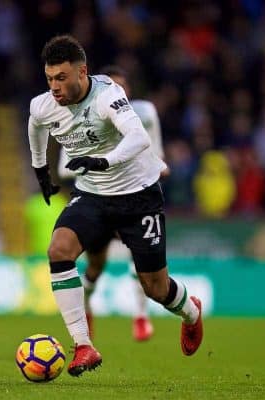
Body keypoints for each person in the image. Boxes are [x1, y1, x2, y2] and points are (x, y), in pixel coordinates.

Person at [28, 35, 203, 377]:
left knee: (155, 287)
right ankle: (83, 346)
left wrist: (105, 161)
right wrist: (40, 169)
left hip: (138, 195)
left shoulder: (108, 96)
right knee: (59, 249)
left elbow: (140, 139)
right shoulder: (43, 104)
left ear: (82, 72)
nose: (54, 87)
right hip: (93, 195)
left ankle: (192, 313)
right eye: (49, 79)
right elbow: (35, 125)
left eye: (61, 78)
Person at [57, 65, 170, 342]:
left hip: (132, 198)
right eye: (110, 87)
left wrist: (156, 167)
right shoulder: (81, 116)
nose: (115, 92)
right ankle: (86, 307)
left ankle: (141, 318)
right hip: (97, 201)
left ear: (127, 92)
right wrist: (98, 164)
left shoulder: (143, 115)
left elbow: (154, 153)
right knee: (95, 267)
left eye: (120, 87)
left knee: (139, 256)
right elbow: (63, 169)